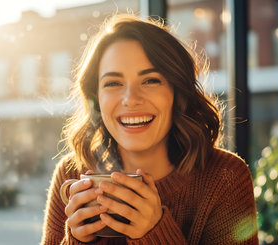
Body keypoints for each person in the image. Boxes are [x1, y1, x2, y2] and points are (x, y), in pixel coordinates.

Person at [41, 14, 258, 244]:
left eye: (150, 80)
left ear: (177, 92)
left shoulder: (225, 178)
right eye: (113, 83)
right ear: (96, 99)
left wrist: (156, 232)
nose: (130, 99)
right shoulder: (72, 174)